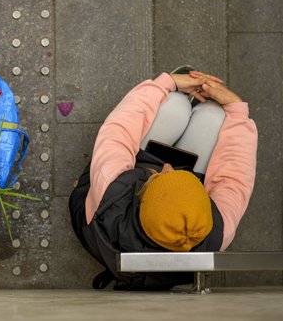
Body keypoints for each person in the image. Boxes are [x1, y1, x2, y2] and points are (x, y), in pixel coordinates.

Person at [69, 67, 258, 290]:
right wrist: (235, 109)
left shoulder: (111, 193)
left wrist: (167, 83)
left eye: (161, 176)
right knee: (214, 115)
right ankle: (199, 114)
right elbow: (234, 178)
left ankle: (182, 104)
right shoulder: (217, 232)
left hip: (100, 218)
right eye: (183, 177)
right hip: (127, 240)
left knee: (174, 106)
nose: (168, 166)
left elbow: (118, 132)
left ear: (142, 201)